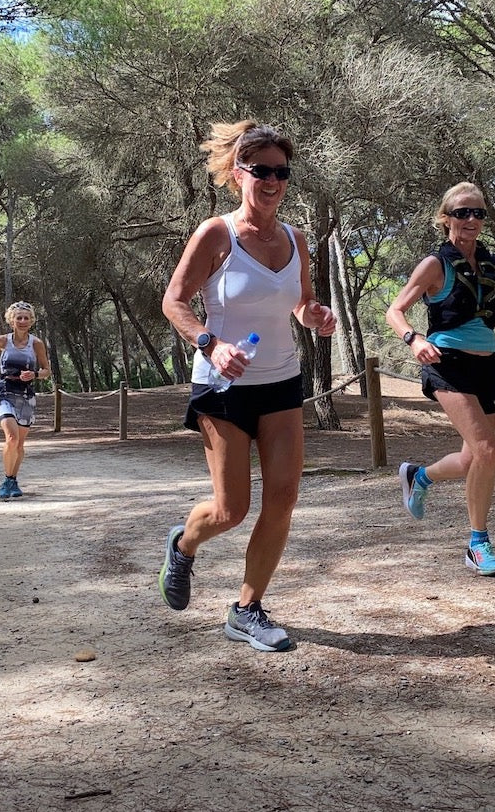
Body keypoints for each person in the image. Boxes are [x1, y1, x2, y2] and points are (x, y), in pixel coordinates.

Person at [159, 120, 336, 652]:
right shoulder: (217, 234)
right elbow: (174, 302)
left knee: (282, 499)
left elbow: (301, 305)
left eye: (282, 171)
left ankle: (247, 609)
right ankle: (184, 544)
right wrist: (212, 344)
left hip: (280, 381)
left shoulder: (297, 239)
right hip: (222, 388)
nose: (273, 180)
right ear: (239, 174)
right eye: (261, 170)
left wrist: (316, 315)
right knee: (230, 510)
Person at [385, 181, 495, 576]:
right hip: (446, 361)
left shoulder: (490, 262)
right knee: (489, 450)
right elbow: (395, 310)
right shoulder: (434, 265)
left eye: (478, 213)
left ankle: (419, 476)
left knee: (474, 457)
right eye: (462, 213)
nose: (471, 219)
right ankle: (478, 544)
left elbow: (490, 317)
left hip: (486, 365)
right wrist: (414, 339)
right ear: (446, 219)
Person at [0, 301, 51, 499]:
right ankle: (6, 480)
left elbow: (47, 371)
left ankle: (12, 480)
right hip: (4, 391)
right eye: (18, 317)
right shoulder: (2, 340)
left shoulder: (36, 344)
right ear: (11, 320)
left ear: (31, 321)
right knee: (12, 438)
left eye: (26, 318)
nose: (22, 321)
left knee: (19, 445)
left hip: (26, 395)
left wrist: (35, 375)